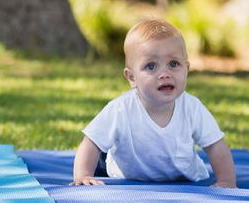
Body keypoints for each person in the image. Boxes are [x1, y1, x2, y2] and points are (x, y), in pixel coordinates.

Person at [72, 19, 237, 188]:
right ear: (132, 78)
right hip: (128, 175)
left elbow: (215, 145)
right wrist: (83, 175)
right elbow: (92, 141)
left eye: (173, 64)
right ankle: (104, 160)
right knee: (103, 149)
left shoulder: (192, 108)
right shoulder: (121, 109)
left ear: (186, 69)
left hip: (183, 177)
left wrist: (226, 181)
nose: (164, 74)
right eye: (151, 66)